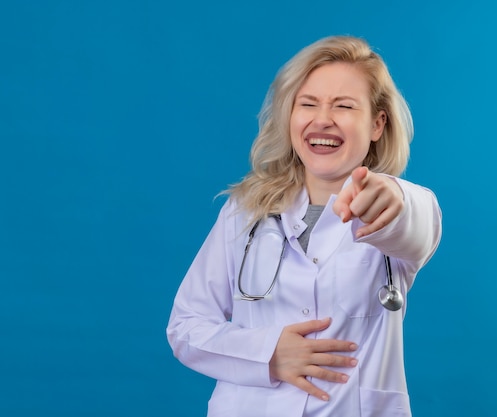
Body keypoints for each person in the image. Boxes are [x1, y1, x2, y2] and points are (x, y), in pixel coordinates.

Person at [166, 35, 442, 417]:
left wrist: (391, 194)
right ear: (290, 116)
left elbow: (417, 222)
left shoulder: (400, 207)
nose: (322, 119)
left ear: (378, 123)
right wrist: (269, 354)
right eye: (307, 104)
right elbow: (186, 326)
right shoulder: (243, 211)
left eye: (344, 106)